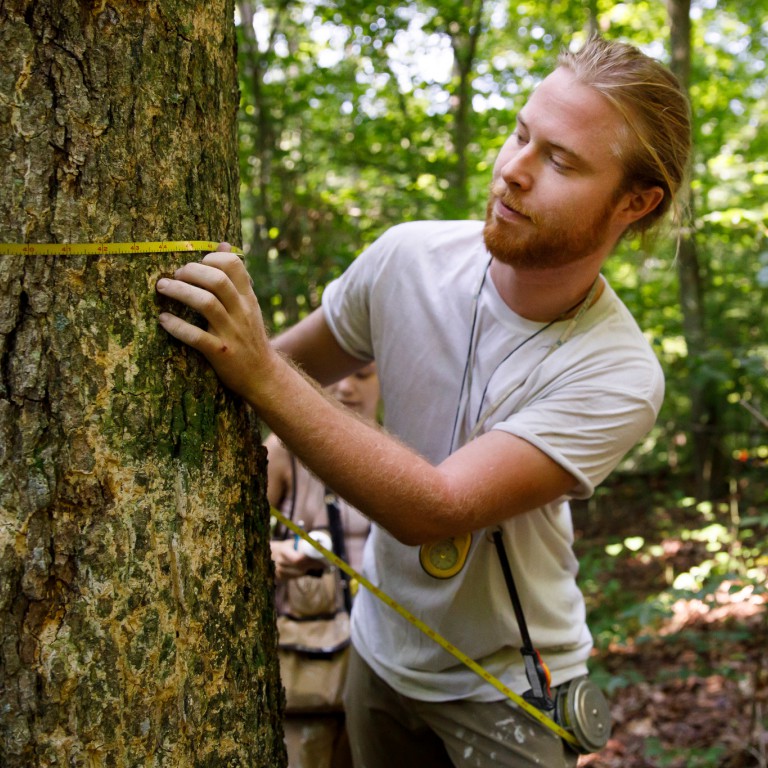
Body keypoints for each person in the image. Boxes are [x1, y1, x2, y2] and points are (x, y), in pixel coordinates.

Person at [156, 34, 691, 768]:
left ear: (636, 201)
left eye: (560, 160)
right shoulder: (407, 259)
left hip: (508, 686)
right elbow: (271, 359)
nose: (512, 170)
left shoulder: (619, 372)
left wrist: (259, 374)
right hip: (376, 651)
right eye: (520, 134)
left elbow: (432, 509)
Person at [267, 365, 379, 768]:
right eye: (336, 371)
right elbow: (231, 545)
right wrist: (276, 557)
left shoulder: (401, 455)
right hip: (308, 672)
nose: (346, 386)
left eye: (363, 374)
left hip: (383, 669)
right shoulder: (283, 452)